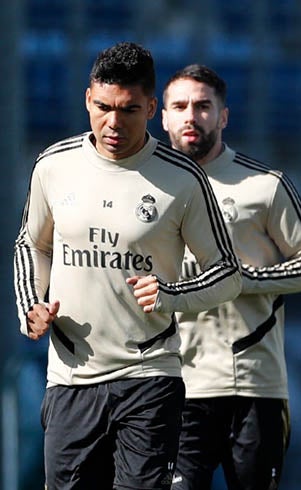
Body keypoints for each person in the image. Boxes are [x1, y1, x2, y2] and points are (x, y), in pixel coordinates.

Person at [12, 42, 242, 489]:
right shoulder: (53, 166)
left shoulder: (182, 178)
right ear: (87, 99)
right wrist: (30, 305)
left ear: (152, 107)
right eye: (102, 107)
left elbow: (226, 273)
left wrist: (172, 294)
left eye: (129, 110)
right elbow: (31, 245)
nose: (113, 122)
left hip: (149, 375)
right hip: (71, 376)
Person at [161, 63, 301, 489]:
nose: (190, 116)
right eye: (179, 106)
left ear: (223, 116)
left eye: (203, 106)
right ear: (163, 117)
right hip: (172, 382)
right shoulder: (144, 191)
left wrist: (242, 279)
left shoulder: (265, 185)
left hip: (252, 384)